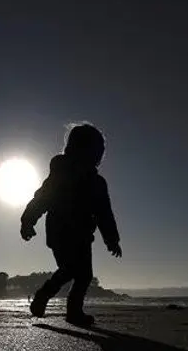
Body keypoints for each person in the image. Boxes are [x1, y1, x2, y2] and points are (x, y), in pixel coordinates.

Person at [20, 123, 121, 326]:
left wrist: (112, 240)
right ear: (79, 148)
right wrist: (28, 221)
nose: (100, 154)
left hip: (82, 236)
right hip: (60, 232)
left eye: (101, 150)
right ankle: (48, 298)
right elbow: (42, 198)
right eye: (96, 149)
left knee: (82, 274)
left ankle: (71, 310)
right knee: (71, 270)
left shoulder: (97, 183)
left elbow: (104, 213)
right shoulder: (60, 173)